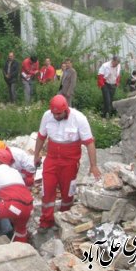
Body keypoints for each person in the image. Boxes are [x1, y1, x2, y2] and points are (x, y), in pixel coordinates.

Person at [33, 95, 101, 232]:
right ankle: (46, 221)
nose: (56, 116)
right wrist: (36, 155)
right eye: (54, 114)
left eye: (59, 114)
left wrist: (94, 166)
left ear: (66, 110)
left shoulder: (79, 118)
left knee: (67, 192)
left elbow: (89, 143)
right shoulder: (47, 116)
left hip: (70, 161)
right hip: (52, 158)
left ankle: (64, 219)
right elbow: (41, 137)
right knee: (48, 190)